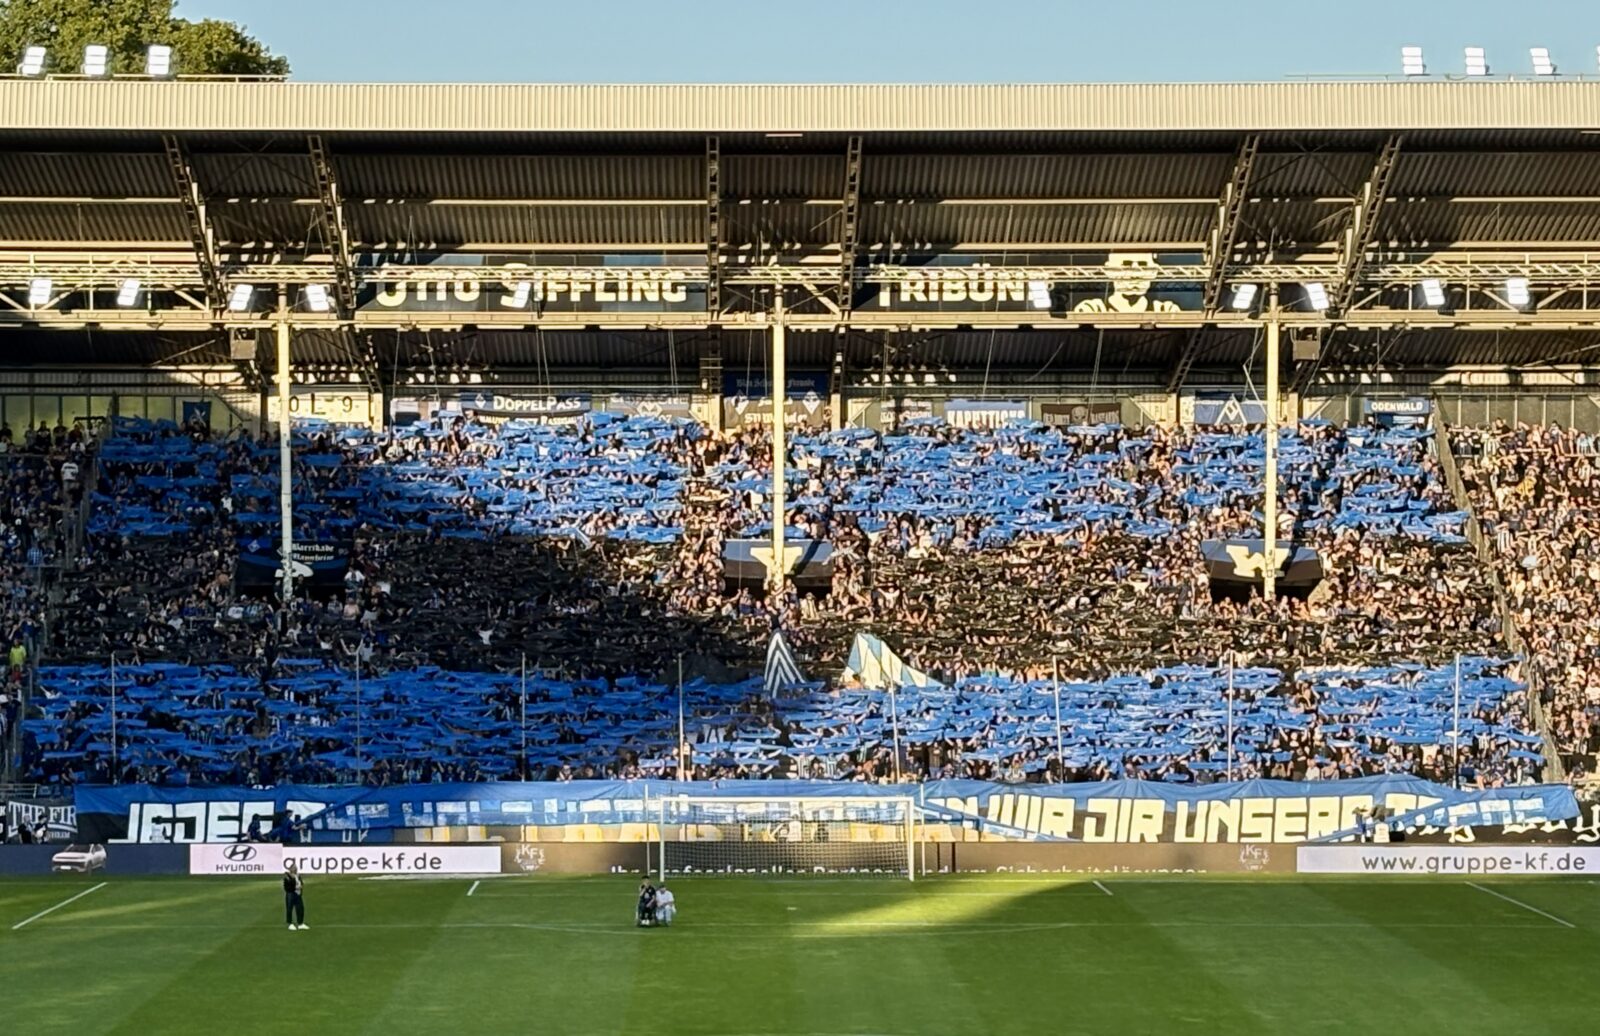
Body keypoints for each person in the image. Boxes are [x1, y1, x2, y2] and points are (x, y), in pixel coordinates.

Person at [283, 861, 308, 931]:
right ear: (291, 869)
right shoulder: (287, 877)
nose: (295, 869)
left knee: (300, 908)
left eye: (296, 867)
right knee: (289, 908)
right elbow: (286, 887)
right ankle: (290, 924)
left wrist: (302, 886)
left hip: (298, 894)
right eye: (294, 868)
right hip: (291, 894)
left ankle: (300, 923)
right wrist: (295, 888)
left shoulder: (298, 875)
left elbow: (301, 882)